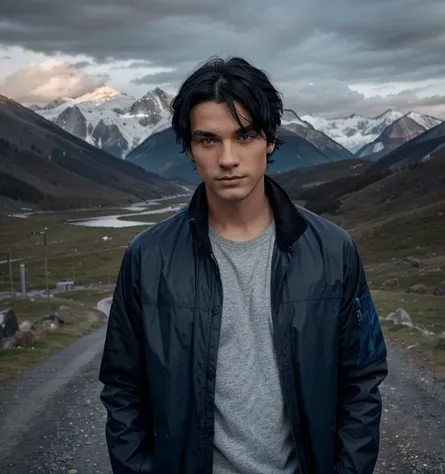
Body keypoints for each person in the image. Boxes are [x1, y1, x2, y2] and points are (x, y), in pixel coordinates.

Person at [98, 56, 388, 474]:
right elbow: (123, 390)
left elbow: (362, 379)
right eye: (209, 140)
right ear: (189, 148)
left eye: (245, 136)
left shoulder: (332, 250)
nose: (228, 158)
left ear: (270, 140)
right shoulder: (147, 257)